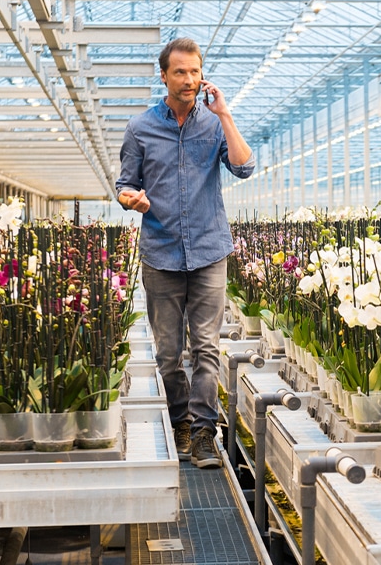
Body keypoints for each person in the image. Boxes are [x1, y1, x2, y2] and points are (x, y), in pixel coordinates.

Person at [116, 37, 254, 468]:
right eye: (180, 72)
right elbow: (123, 184)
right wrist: (130, 200)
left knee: (208, 347)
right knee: (168, 352)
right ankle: (179, 419)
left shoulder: (214, 124)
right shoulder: (140, 128)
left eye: (195, 71)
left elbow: (245, 166)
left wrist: (225, 114)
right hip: (161, 252)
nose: (189, 79)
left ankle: (203, 434)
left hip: (210, 249)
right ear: (164, 75)